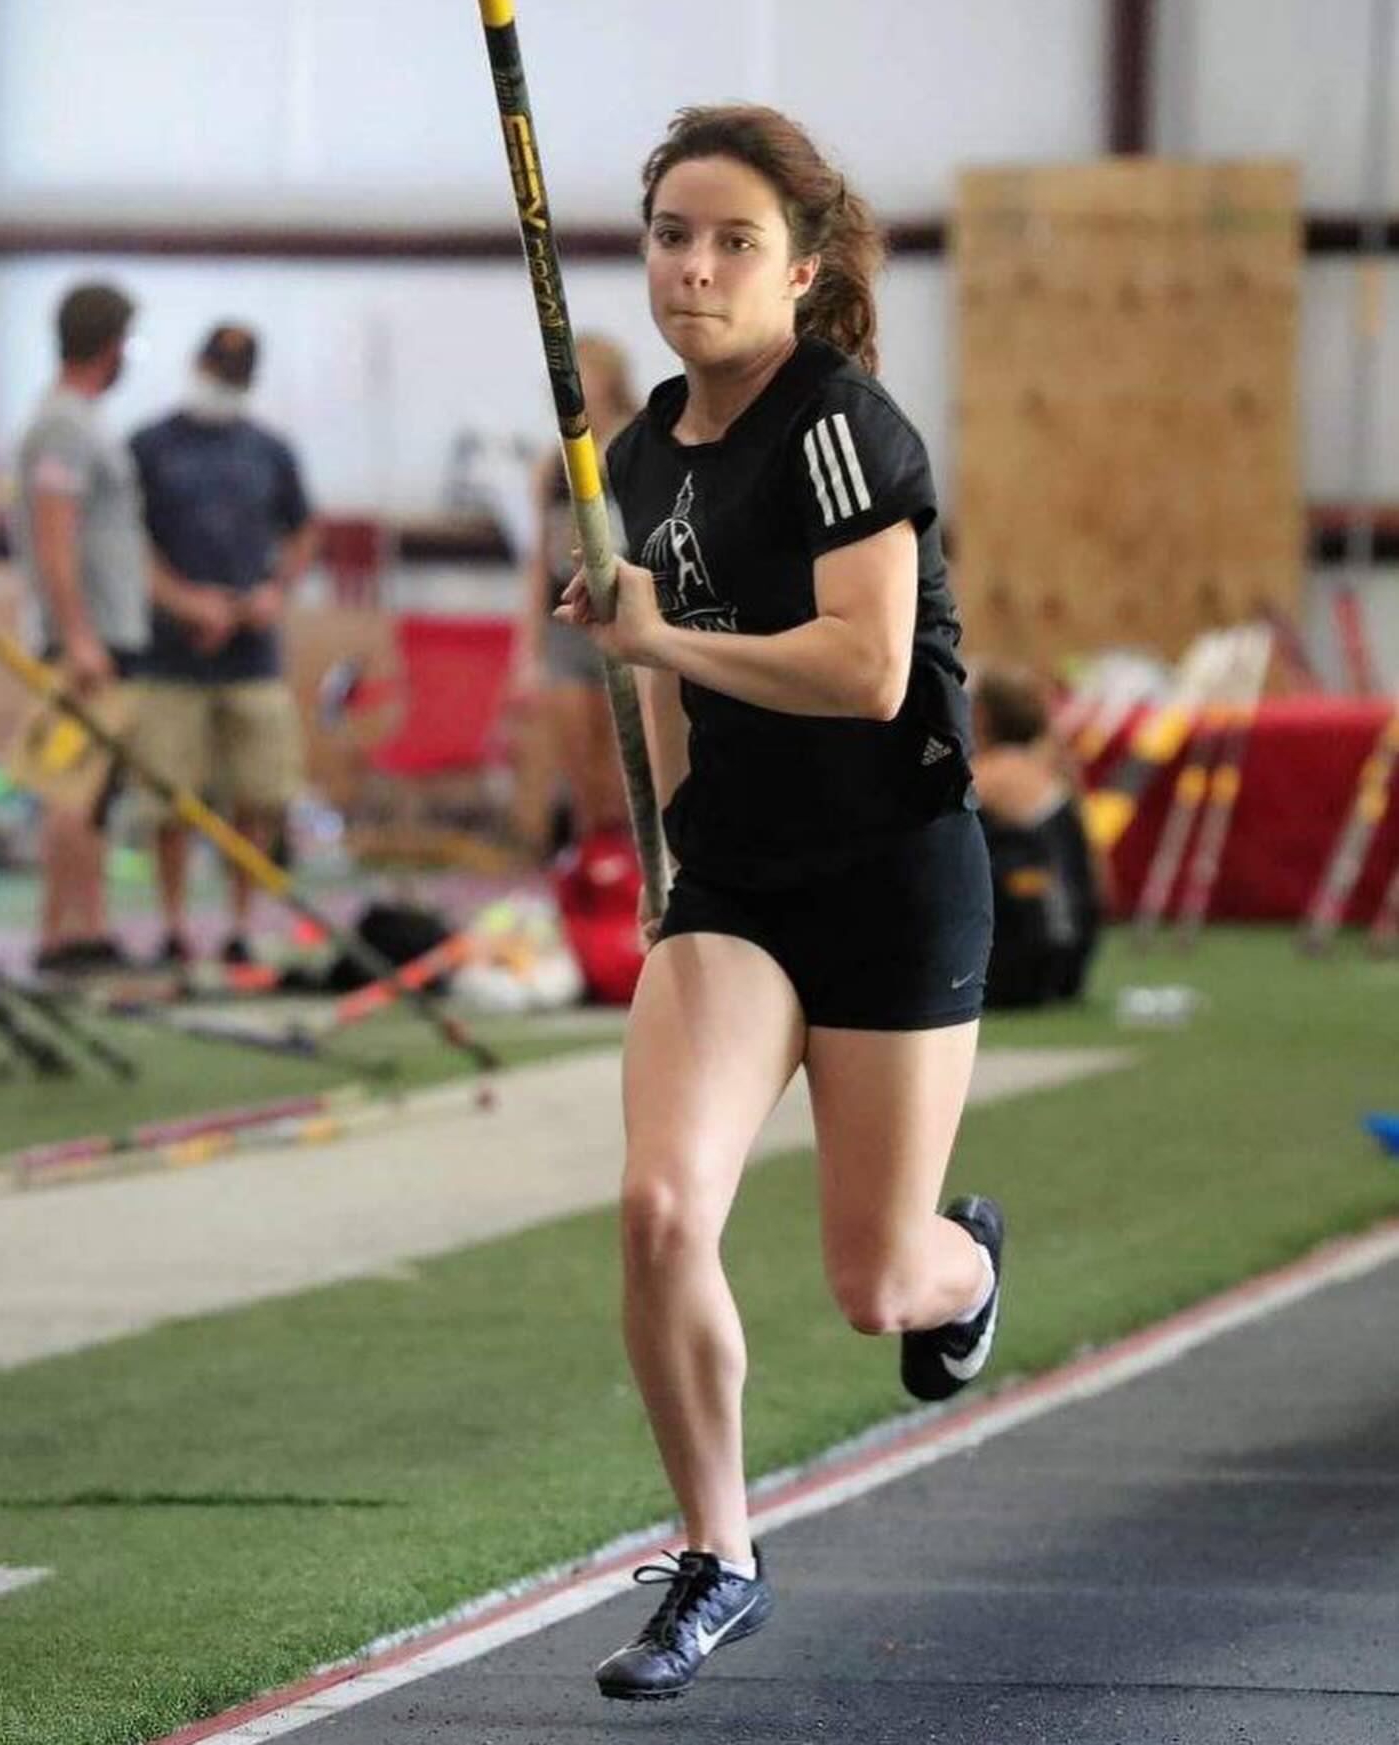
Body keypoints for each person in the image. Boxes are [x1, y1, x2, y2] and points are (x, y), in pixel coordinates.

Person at [553, 105, 1005, 1702]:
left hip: (892, 875)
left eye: (734, 240)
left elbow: (866, 672)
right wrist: (674, 845)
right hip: (735, 889)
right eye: (673, 233)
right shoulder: (631, 453)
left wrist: (657, 640)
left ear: (802, 272)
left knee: (877, 1282)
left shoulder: (843, 425)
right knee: (661, 1207)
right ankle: (718, 1555)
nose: (694, 267)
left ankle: (968, 1262)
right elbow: (666, 691)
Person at [130, 324, 317, 964]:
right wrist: (184, 601)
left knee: (258, 795)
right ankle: (174, 924)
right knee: (170, 799)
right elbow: (129, 541)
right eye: (219, 370)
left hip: (251, 654)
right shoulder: (150, 447)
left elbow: (301, 531)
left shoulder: (269, 450)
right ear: (196, 363)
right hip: (169, 656)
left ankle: (241, 924)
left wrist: (273, 591)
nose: (224, 383)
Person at [12, 281, 146, 974]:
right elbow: (54, 539)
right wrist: (80, 636)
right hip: (81, 641)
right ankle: (67, 938)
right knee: (73, 786)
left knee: (94, 793)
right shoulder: (64, 425)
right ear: (109, 344)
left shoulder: (84, 420)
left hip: (105, 633)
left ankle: (84, 928)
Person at [511, 333, 635, 849]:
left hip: (624, 619)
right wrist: (525, 652)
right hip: (567, 622)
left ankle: (631, 872)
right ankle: (589, 868)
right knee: (579, 765)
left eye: (587, 376)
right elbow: (539, 561)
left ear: (610, 381)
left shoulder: (636, 449)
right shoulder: (551, 466)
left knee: (620, 768)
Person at [971, 662, 1101, 1008]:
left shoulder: (990, 774)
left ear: (981, 715)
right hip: (1071, 957)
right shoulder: (1050, 770)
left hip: (1023, 959)